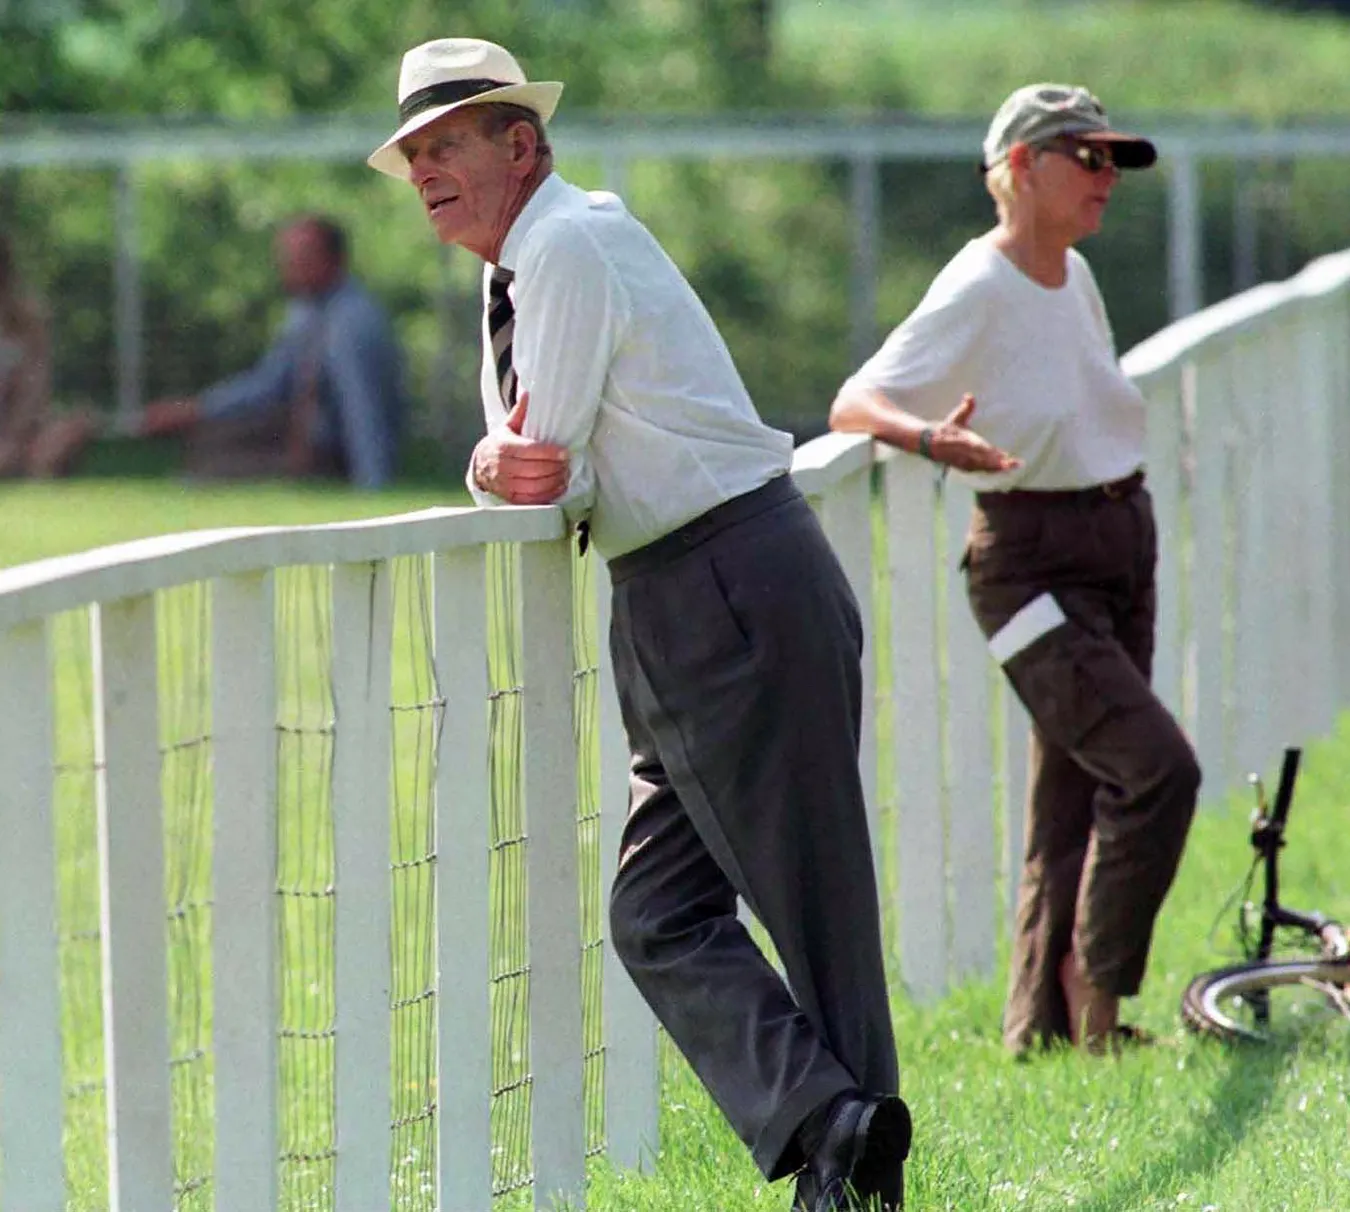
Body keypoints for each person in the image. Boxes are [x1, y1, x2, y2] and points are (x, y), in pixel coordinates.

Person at [367, 37, 911, 1210]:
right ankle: (839, 1126)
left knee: (800, 901)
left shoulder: (562, 244)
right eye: (413, 154)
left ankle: (852, 1170)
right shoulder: (523, 260)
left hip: (724, 580)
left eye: (445, 145)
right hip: (683, 590)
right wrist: (500, 461)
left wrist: (494, 462)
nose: (423, 172)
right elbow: (530, 462)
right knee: (658, 914)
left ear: (523, 143)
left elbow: (544, 473)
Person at [830, 84, 1200, 1056]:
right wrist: (929, 440)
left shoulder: (1071, 275)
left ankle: (1039, 1027)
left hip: (1121, 539)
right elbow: (853, 403)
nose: (1107, 178)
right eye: (1089, 157)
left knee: (1075, 788)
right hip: (1030, 565)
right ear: (1022, 168)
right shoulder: (977, 284)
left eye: (1115, 160)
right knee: (1155, 769)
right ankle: (1097, 996)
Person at [139, 216, 405, 489]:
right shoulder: (305, 312)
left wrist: (372, 484)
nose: (289, 266)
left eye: (301, 256)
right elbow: (269, 383)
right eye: (285, 257)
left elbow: (362, 407)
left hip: (330, 455)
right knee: (208, 439)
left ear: (335, 259)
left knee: (213, 468)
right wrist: (197, 409)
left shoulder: (353, 321)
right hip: (293, 436)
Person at [0, 233, 98, 478]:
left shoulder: (27, 319)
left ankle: (30, 469)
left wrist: (11, 438)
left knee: (77, 423)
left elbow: (34, 391)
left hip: (18, 429)